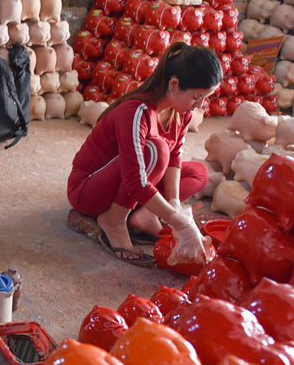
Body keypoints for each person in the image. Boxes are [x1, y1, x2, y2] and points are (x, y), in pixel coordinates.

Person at [67, 42, 221, 268]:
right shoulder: (136, 111)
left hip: (131, 182)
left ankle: (144, 215)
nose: (200, 105)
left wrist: (175, 204)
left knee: (199, 172)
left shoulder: (181, 112)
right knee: (156, 150)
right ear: (174, 85)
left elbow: (176, 156)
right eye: (197, 97)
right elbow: (135, 180)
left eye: (205, 98)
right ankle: (114, 219)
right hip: (87, 189)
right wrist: (182, 224)